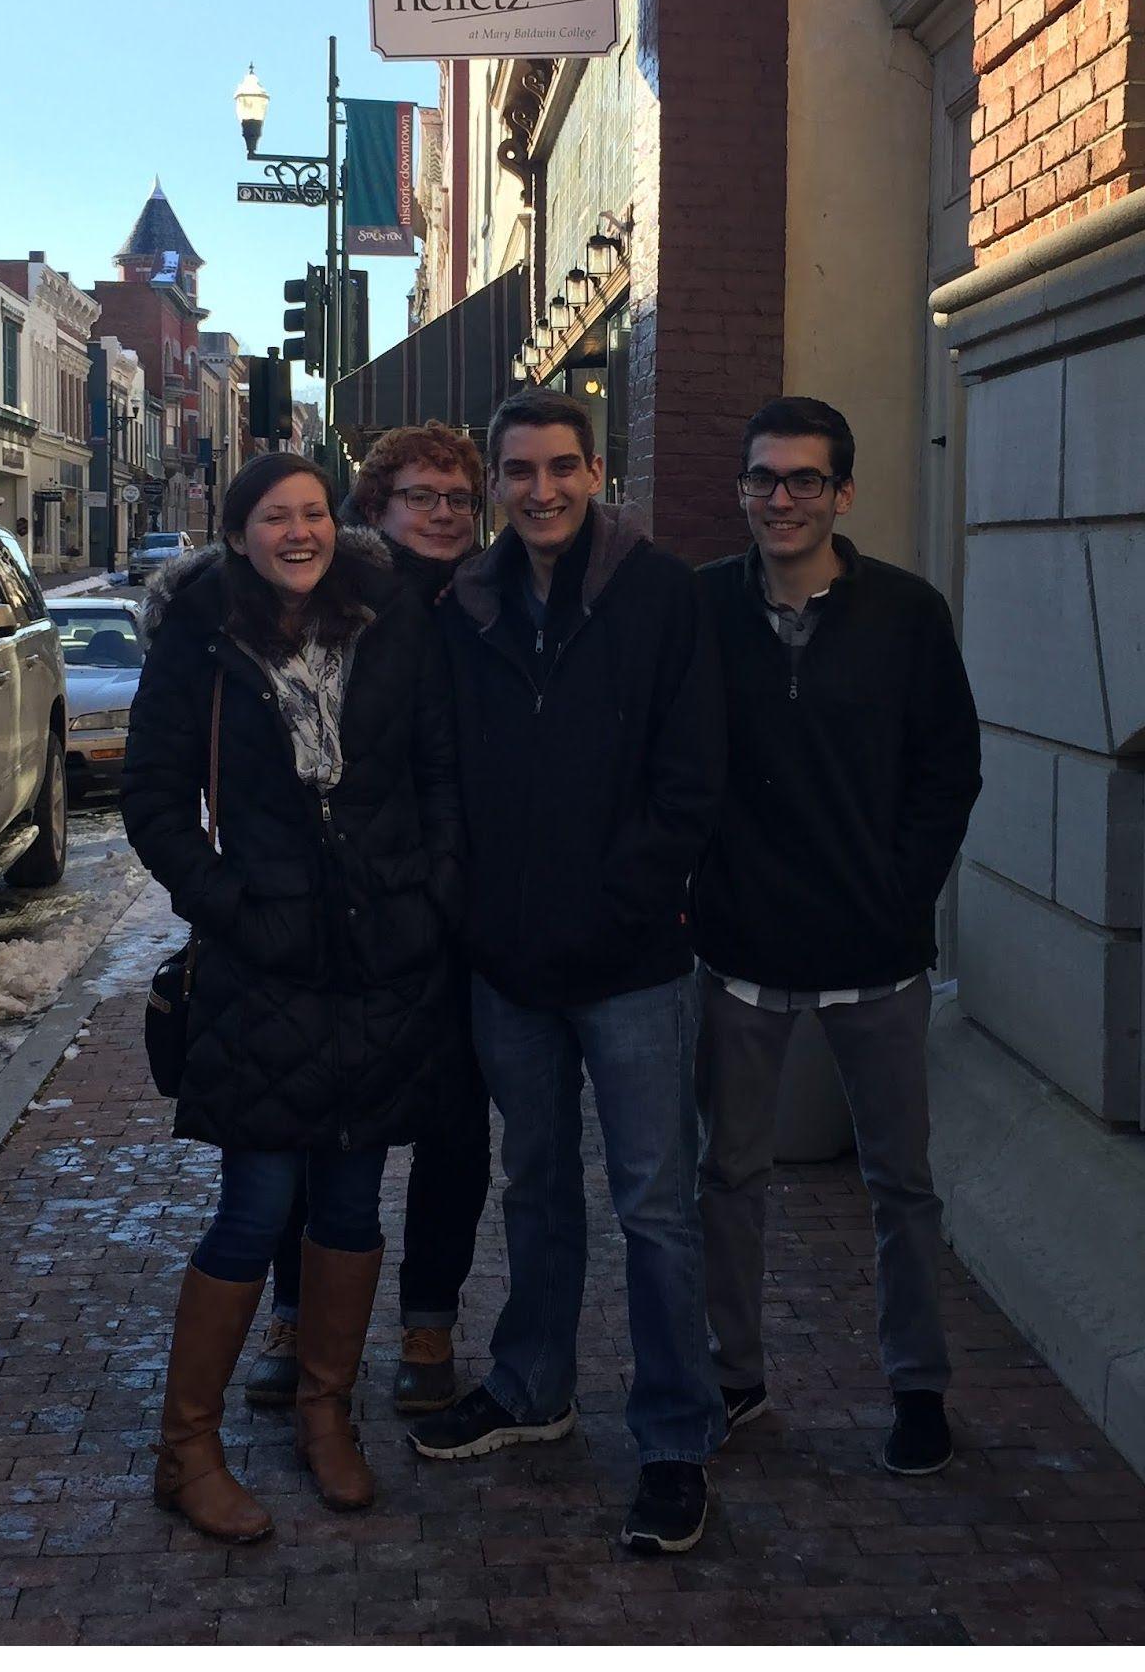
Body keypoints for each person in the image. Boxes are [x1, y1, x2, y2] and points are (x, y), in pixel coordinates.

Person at [119, 450, 462, 1541]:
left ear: (339, 522)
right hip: (263, 968)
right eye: (276, 516)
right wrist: (231, 905)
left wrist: (429, 894)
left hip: (378, 957)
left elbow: (438, 771)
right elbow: (152, 799)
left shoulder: (389, 616)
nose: (299, 531)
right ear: (237, 532)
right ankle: (188, 1447)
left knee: (354, 1203)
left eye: (313, 511)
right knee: (256, 1204)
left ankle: (327, 1416)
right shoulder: (201, 634)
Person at [412, 393, 728, 1556]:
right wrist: (480, 911)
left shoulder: (662, 595)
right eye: (515, 471)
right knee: (533, 1185)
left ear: (595, 472)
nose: (537, 489)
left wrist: (616, 905)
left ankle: (673, 1437)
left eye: (558, 467)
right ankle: (533, 1382)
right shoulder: (469, 603)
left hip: (633, 961)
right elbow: (449, 777)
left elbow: (692, 779)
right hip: (509, 963)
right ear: (495, 483)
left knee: (655, 1203)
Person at [688, 397, 982, 1476]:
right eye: (762, 478)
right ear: (742, 493)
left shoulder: (907, 612)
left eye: (803, 479)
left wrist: (902, 892)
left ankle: (916, 1384)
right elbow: (676, 764)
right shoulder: (702, 607)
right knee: (727, 1176)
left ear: (841, 493)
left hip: (877, 951)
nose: (780, 498)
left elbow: (947, 769)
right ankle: (733, 1373)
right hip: (738, 949)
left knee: (899, 1180)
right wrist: (697, 891)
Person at [251, 421, 493, 1417]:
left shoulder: (494, 602)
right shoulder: (325, 605)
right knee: (320, 1112)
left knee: (453, 1127)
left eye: (455, 498)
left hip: (466, 908)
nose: (442, 514)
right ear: (375, 507)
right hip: (341, 907)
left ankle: (428, 1321)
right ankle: (292, 1316)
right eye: (418, 496)